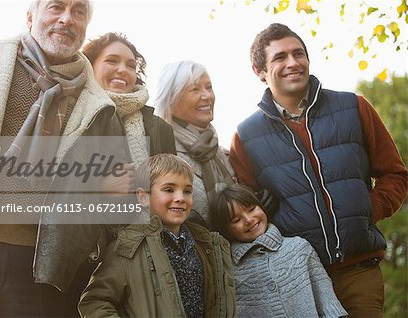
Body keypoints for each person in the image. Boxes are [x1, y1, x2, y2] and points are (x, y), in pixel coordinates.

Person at [0, 1, 125, 316]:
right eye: (56, 7)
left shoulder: (100, 108)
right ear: (30, 16)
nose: (66, 19)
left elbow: (111, 196)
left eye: (78, 12)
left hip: (42, 270)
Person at [230, 23, 408, 317]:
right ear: (259, 71)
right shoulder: (246, 136)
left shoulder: (354, 107)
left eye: (298, 53)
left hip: (359, 272)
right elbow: (246, 208)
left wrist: (367, 210)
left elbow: (395, 174)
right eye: (279, 57)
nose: (292, 63)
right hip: (297, 277)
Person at [78, 154, 236, 318]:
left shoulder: (206, 244)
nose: (180, 198)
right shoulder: (127, 247)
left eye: (187, 191)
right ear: (143, 196)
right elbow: (95, 302)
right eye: (169, 190)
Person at [211, 183, 348, 318]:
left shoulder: (299, 248)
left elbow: (329, 305)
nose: (248, 219)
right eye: (236, 220)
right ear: (226, 231)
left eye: (251, 209)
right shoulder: (227, 270)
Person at [155, 60, 236, 229]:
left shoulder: (220, 152)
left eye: (209, 87)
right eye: (194, 89)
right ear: (171, 100)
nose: (207, 96)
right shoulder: (164, 151)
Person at [82, 32, 176, 167]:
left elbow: (175, 183)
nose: (122, 70)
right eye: (112, 61)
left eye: (131, 65)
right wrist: (101, 186)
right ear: (90, 66)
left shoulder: (161, 129)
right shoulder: (72, 112)